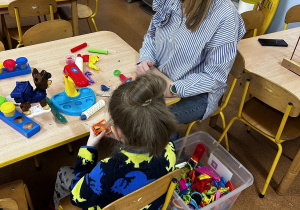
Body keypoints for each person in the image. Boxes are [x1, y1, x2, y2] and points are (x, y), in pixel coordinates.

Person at [53, 74, 178, 210]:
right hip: (148, 205)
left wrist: (89, 148)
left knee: (62, 172)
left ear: (117, 132)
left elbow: (78, 198)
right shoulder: (170, 150)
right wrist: (124, 137)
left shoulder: (106, 169)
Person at [136, 0, 246, 124]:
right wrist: (146, 59)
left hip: (196, 94)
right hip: (160, 77)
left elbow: (215, 78)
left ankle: (169, 137)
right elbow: (151, 36)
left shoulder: (225, 14)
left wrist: (174, 89)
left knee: (141, 119)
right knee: (126, 105)